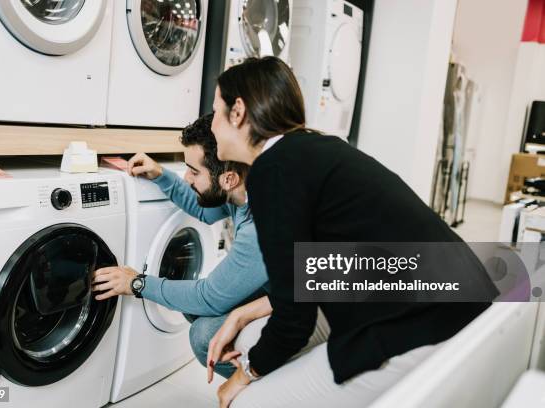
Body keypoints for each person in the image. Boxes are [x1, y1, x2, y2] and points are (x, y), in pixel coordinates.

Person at [205, 57, 497, 407]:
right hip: (455, 299)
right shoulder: (314, 149)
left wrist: (242, 378)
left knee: (244, 402)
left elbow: (295, 319)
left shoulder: (274, 171)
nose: (213, 126)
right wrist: (245, 315)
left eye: (216, 112)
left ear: (238, 112)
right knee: (253, 338)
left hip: (428, 323)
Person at [92, 114, 267, 378]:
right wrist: (160, 175)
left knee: (204, 335)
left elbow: (209, 297)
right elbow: (205, 210)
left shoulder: (261, 224)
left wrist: (136, 283)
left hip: (319, 299)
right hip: (284, 287)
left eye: (194, 171)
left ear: (228, 179)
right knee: (191, 306)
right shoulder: (242, 185)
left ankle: (260, 388)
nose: (186, 178)